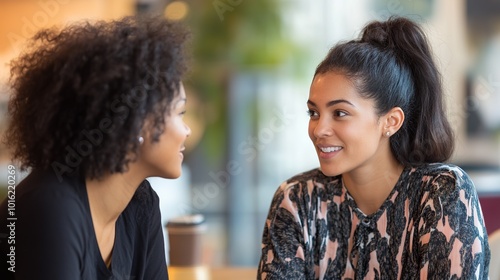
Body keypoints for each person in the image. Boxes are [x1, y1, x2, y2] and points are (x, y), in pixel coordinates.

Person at [257, 16, 490, 279]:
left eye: (340, 113)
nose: (319, 129)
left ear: (390, 121)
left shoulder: (442, 195)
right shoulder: (297, 199)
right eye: (313, 113)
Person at [0, 16, 191, 279]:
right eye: (180, 112)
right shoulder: (50, 208)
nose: (187, 130)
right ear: (136, 122)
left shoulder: (142, 204)